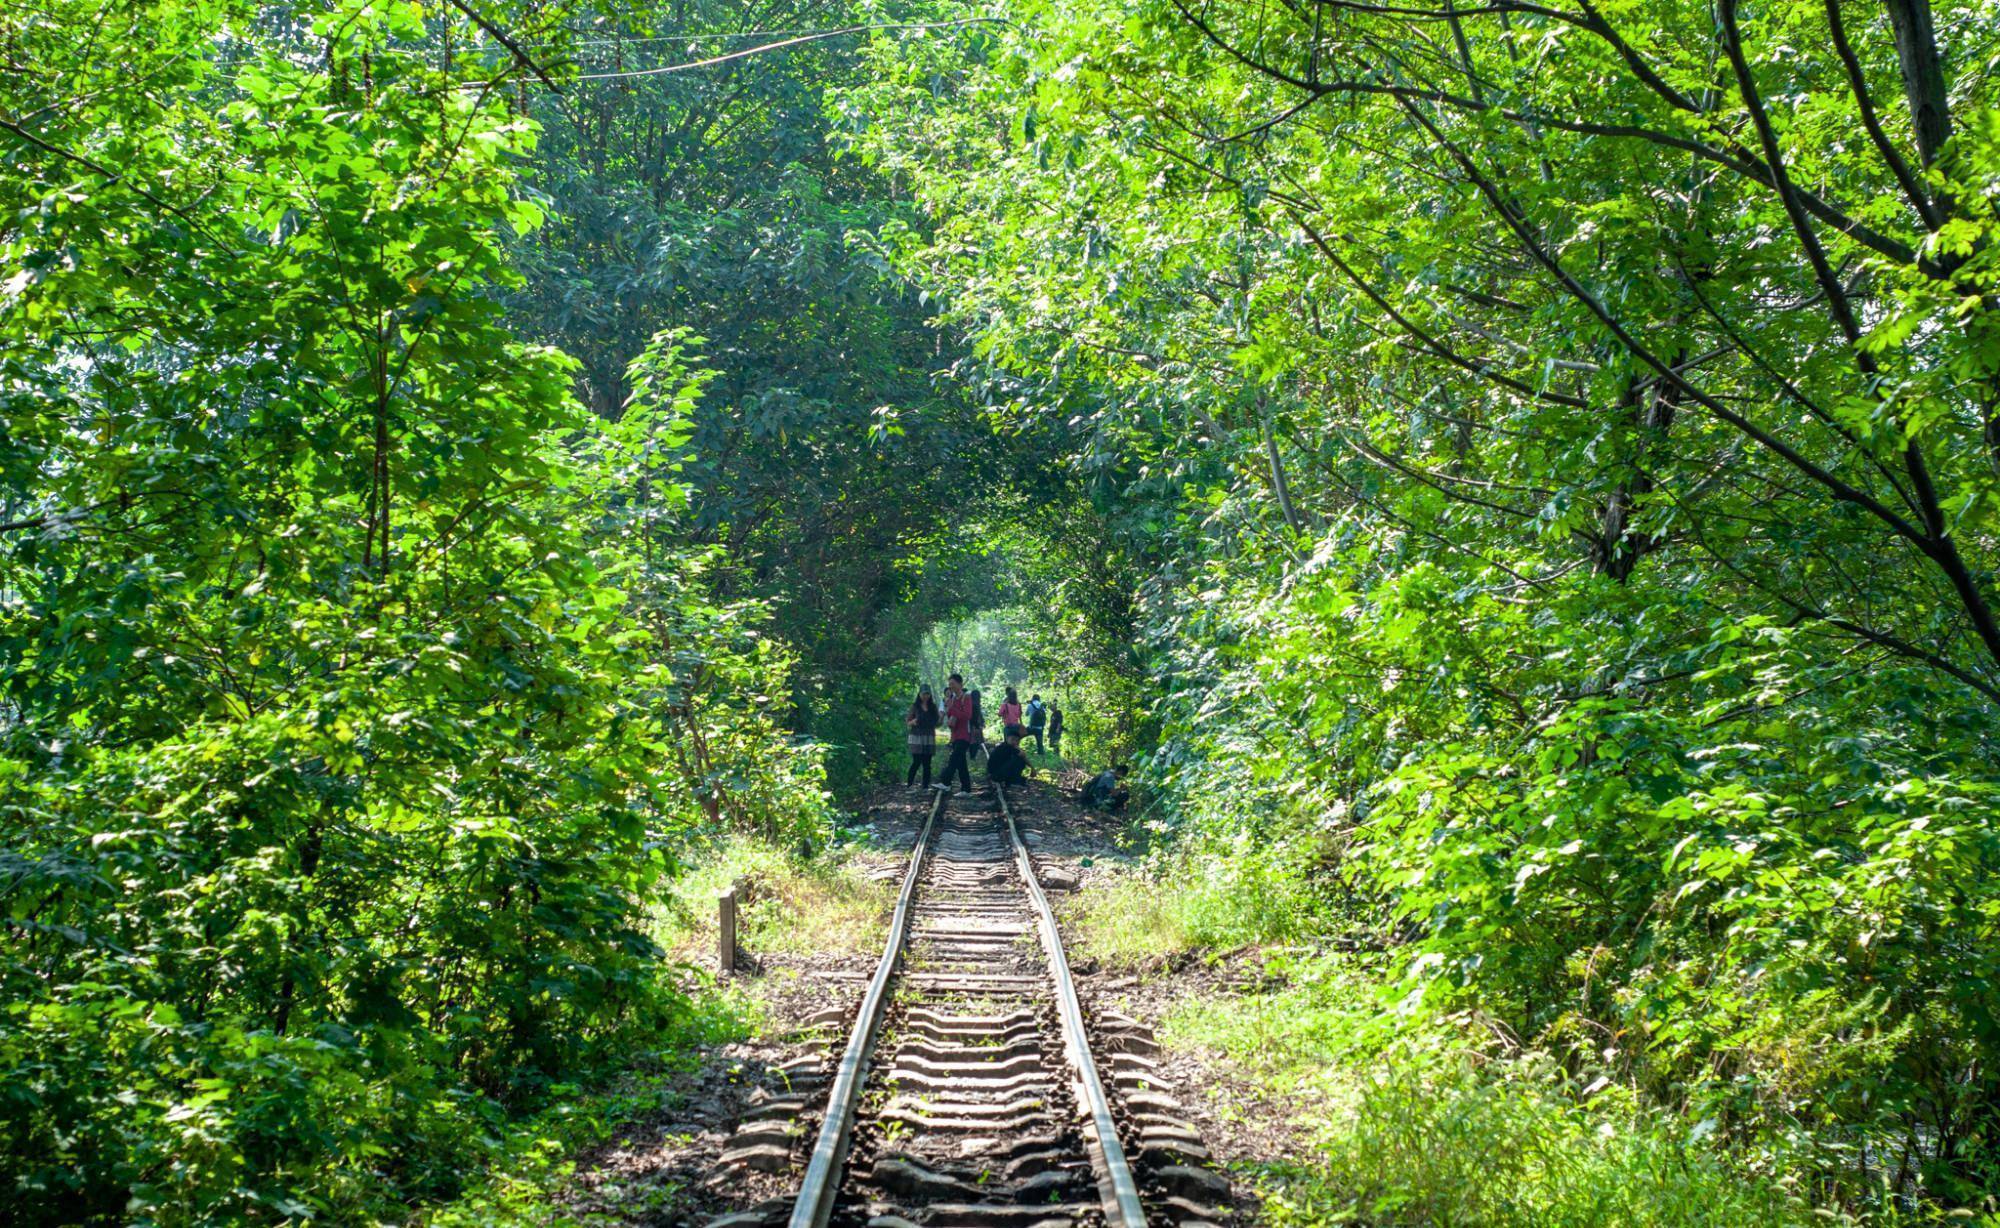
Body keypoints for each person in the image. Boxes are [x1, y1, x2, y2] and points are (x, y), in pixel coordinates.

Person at [935, 673, 975, 794]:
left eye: (952, 684)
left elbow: (967, 715)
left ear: (960, 684)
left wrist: (952, 708)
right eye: (949, 684)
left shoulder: (966, 697)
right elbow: (951, 714)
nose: (950, 686)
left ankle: (946, 782)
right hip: (955, 734)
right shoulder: (952, 699)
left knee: (954, 759)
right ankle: (966, 789)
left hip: (965, 734)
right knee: (961, 763)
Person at [905, 685, 940, 788]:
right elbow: (908, 721)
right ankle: (910, 783)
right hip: (916, 737)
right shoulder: (914, 706)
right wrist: (913, 722)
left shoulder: (933, 707)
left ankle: (925, 785)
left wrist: (941, 718)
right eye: (923, 694)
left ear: (930, 695)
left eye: (927, 694)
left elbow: (937, 722)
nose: (925, 696)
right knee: (916, 761)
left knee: (927, 763)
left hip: (929, 737)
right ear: (919, 694)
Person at [967, 688, 987, 760]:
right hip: (975, 724)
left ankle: (972, 756)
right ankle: (973, 756)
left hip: (973, 724)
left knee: (973, 740)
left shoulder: (972, 703)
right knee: (975, 741)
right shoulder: (975, 704)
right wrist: (979, 724)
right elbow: (977, 715)